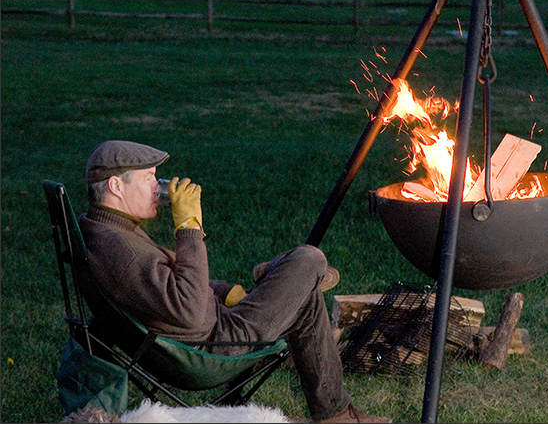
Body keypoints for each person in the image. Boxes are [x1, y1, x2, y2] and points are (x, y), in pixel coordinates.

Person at [79, 140, 392, 423]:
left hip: (209, 328)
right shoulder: (121, 251)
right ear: (116, 186)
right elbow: (186, 307)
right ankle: (279, 275)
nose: (156, 186)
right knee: (309, 260)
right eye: (149, 176)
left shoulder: (109, 231)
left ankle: (335, 414)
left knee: (304, 293)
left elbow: (170, 284)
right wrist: (189, 228)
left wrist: (227, 291)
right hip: (213, 348)